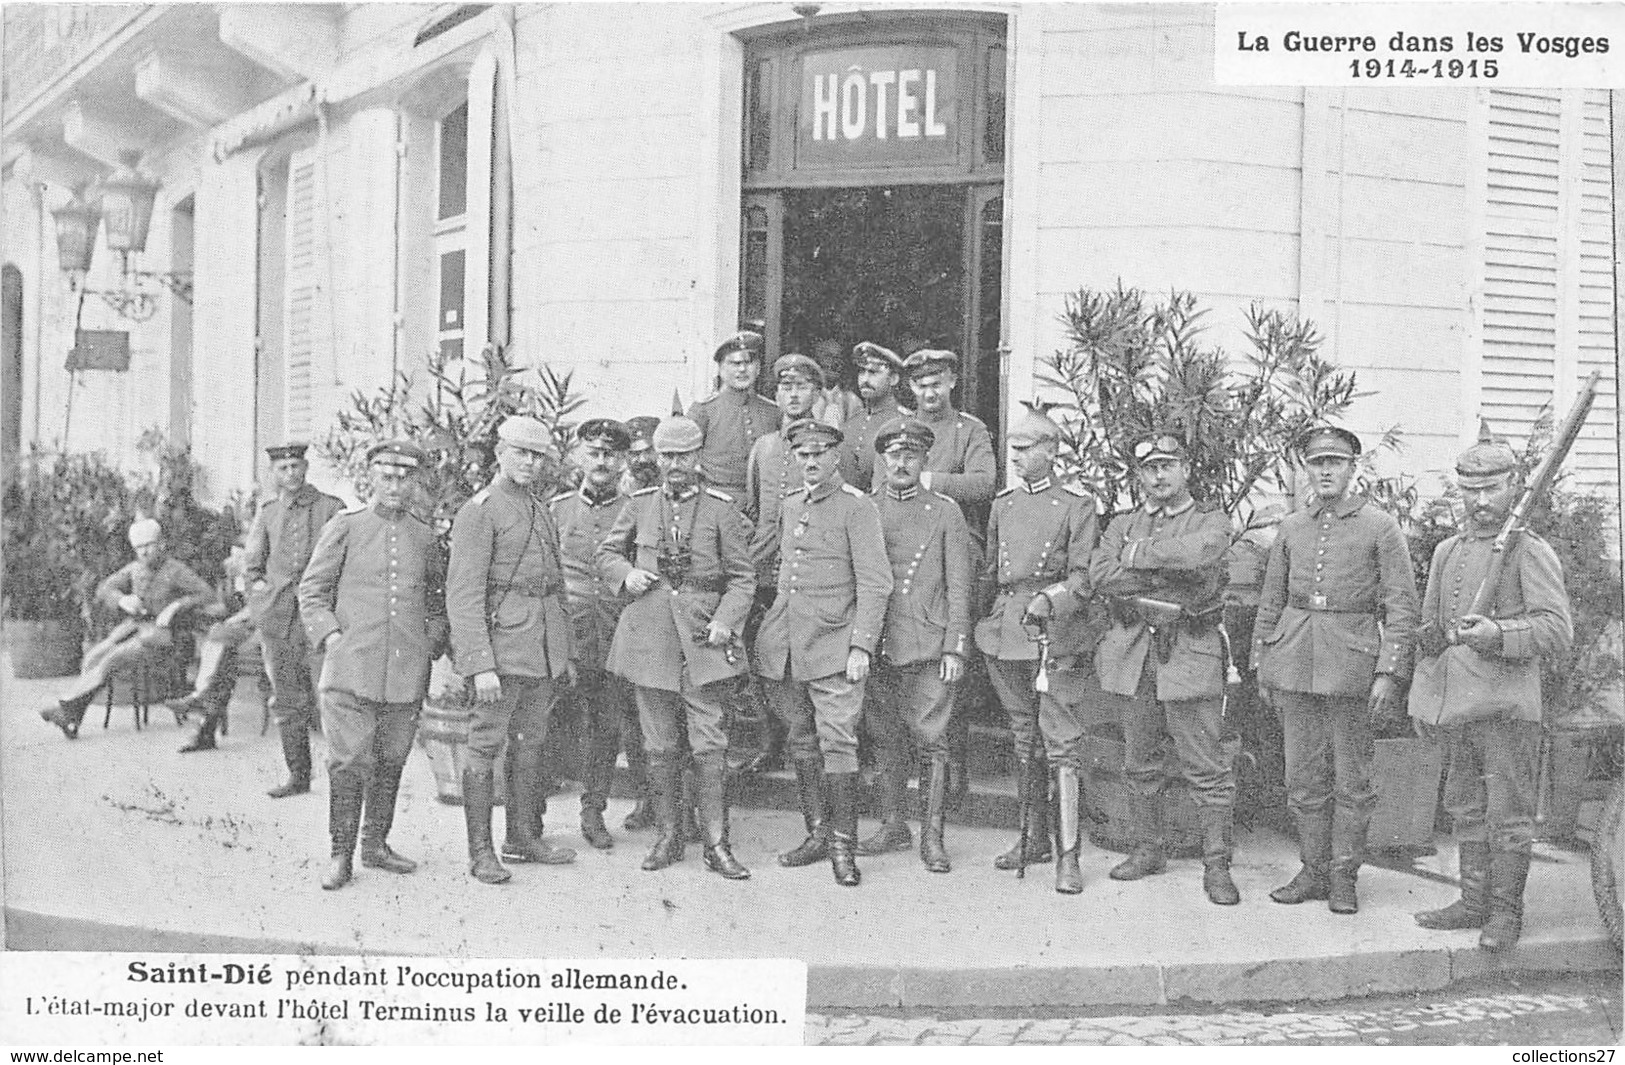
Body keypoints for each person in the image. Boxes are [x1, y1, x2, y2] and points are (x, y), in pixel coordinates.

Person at [1408, 426, 1572, 952]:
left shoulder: (1528, 550)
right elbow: (1430, 636)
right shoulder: (1446, 552)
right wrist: (1423, 700)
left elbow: (1556, 629)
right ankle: (1473, 901)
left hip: (1507, 707)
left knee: (1509, 814)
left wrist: (1498, 634)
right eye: (1469, 490)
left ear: (1514, 488)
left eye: (1492, 489)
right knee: (1464, 807)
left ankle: (1505, 914)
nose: (1480, 501)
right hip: (1457, 706)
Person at [1252, 426, 1419, 914]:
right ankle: (1313, 870)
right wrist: (1262, 660)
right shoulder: (1292, 527)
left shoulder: (1379, 526)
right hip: (1295, 660)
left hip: (1351, 665)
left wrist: (1389, 672)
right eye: (1317, 462)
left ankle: (1344, 876)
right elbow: (1271, 600)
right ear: (1306, 469)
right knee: (1302, 776)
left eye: (1336, 462)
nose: (1325, 471)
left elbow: (1401, 606)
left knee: (1352, 779)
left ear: (1353, 468)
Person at [598, 415, 757, 879]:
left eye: (684, 456)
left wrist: (727, 621)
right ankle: (668, 836)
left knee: (710, 744)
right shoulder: (640, 503)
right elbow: (607, 552)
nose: (676, 465)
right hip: (650, 637)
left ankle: (716, 843)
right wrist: (625, 575)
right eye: (667, 456)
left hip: (705, 638)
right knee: (659, 743)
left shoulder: (722, 508)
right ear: (656, 459)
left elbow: (743, 578)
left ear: (698, 456)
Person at [1091, 432, 1239, 905]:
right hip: (1135, 654)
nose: (1158, 475)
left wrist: (1137, 559)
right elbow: (1101, 575)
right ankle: (1147, 848)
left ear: (1185, 470)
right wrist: (1166, 570)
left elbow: (1201, 557)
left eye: (1167, 465)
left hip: (1190, 651)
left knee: (1206, 766)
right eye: (1149, 468)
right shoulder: (1122, 522)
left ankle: (1217, 865)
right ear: (1139, 476)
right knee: (1139, 760)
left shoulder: (1211, 520)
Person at [298, 441, 449, 890]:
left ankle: (376, 844)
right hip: (351, 669)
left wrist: (431, 641)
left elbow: (438, 600)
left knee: (391, 758)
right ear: (372, 479)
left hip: (405, 670)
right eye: (387, 476)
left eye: (405, 478)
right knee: (348, 762)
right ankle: (340, 854)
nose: (396, 487)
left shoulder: (424, 536)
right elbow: (312, 590)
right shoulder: (346, 527)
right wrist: (332, 637)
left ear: (415, 483)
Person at [754, 420, 893, 887]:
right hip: (789, 645)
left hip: (835, 645)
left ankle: (842, 847)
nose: (810, 462)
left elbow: (876, 583)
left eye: (819, 454)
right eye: (802, 455)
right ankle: (816, 832)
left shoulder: (858, 508)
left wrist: (861, 646)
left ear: (836, 457)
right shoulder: (792, 505)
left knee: (838, 742)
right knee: (801, 740)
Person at [974, 406, 1100, 893]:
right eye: (1014, 449)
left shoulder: (1076, 505)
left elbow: (1086, 576)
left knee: (1061, 743)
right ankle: (1032, 838)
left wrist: (1052, 598)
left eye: (1027, 449)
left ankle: (1069, 855)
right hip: (1006, 631)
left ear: (1053, 451)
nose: (1017, 457)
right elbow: (991, 570)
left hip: (1053, 631)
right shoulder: (1003, 504)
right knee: (1024, 736)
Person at [447, 416, 578, 885]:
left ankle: (522, 837)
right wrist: (480, 665)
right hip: (501, 651)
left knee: (531, 746)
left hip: (541, 648)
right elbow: (463, 596)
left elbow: (556, 587)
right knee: (484, 748)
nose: (529, 461)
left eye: (538, 454)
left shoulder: (540, 509)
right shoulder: (480, 510)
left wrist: (563, 654)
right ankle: (481, 853)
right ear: (499, 452)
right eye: (520, 452)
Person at [858, 418, 973, 874]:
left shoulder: (945, 511)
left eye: (911, 455)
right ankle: (892, 824)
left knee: (932, 740)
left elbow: (960, 585)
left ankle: (932, 836)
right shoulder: (864, 508)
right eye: (893, 455)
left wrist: (955, 647)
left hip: (927, 639)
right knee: (884, 737)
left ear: (925, 460)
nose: (901, 463)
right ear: (881, 460)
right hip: (877, 639)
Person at [900, 348, 997, 805]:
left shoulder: (970, 430)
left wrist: (929, 481)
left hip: (958, 548)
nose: (929, 392)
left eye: (936, 382)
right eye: (920, 384)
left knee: (953, 655)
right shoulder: (898, 432)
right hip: (908, 550)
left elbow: (984, 483)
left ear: (952, 382)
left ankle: (952, 760)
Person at [549, 418, 647, 850]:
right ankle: (532, 816)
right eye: (594, 452)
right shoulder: (557, 508)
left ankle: (593, 812)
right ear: (578, 457)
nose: (602, 461)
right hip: (564, 631)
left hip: (613, 633)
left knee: (606, 726)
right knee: (550, 723)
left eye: (611, 454)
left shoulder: (636, 509)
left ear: (623, 459)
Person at [41, 519, 214, 738]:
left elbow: (207, 594)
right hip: (134, 629)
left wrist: (176, 606)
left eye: (149, 546)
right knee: (93, 656)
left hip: (165, 638)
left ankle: (67, 710)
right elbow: (105, 588)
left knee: (113, 659)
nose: (143, 552)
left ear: (161, 544)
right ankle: (73, 716)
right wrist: (123, 600)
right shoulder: (134, 569)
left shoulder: (176, 570)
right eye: (138, 548)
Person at [737, 353, 825, 775]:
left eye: (802, 387)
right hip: (767, 572)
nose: (793, 395)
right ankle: (771, 741)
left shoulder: (828, 447)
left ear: (816, 394)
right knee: (766, 661)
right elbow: (755, 510)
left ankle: (818, 743)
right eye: (786, 388)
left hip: (810, 575)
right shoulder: (765, 448)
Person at [245, 442, 345, 798]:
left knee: (329, 696)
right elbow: (253, 567)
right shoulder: (268, 512)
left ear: (306, 468)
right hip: (279, 620)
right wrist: (262, 606)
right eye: (283, 468)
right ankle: (298, 776)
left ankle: (342, 780)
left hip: (320, 619)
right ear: (274, 473)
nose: (291, 474)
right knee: (286, 699)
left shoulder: (331, 509)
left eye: (296, 466)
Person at [688, 331, 781, 502]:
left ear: (758, 368)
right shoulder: (704, 411)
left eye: (749, 363)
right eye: (734, 363)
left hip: (762, 501)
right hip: (716, 500)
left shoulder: (772, 411)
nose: (742, 370)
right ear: (721, 369)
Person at [841, 342, 909, 492]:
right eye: (861, 372)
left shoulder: (904, 423)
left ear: (893, 379)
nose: (865, 379)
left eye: (873, 373)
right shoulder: (852, 423)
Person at [811, 337, 863, 430]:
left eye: (838, 358)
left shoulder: (853, 402)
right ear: (817, 361)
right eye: (828, 357)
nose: (834, 363)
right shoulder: (807, 397)